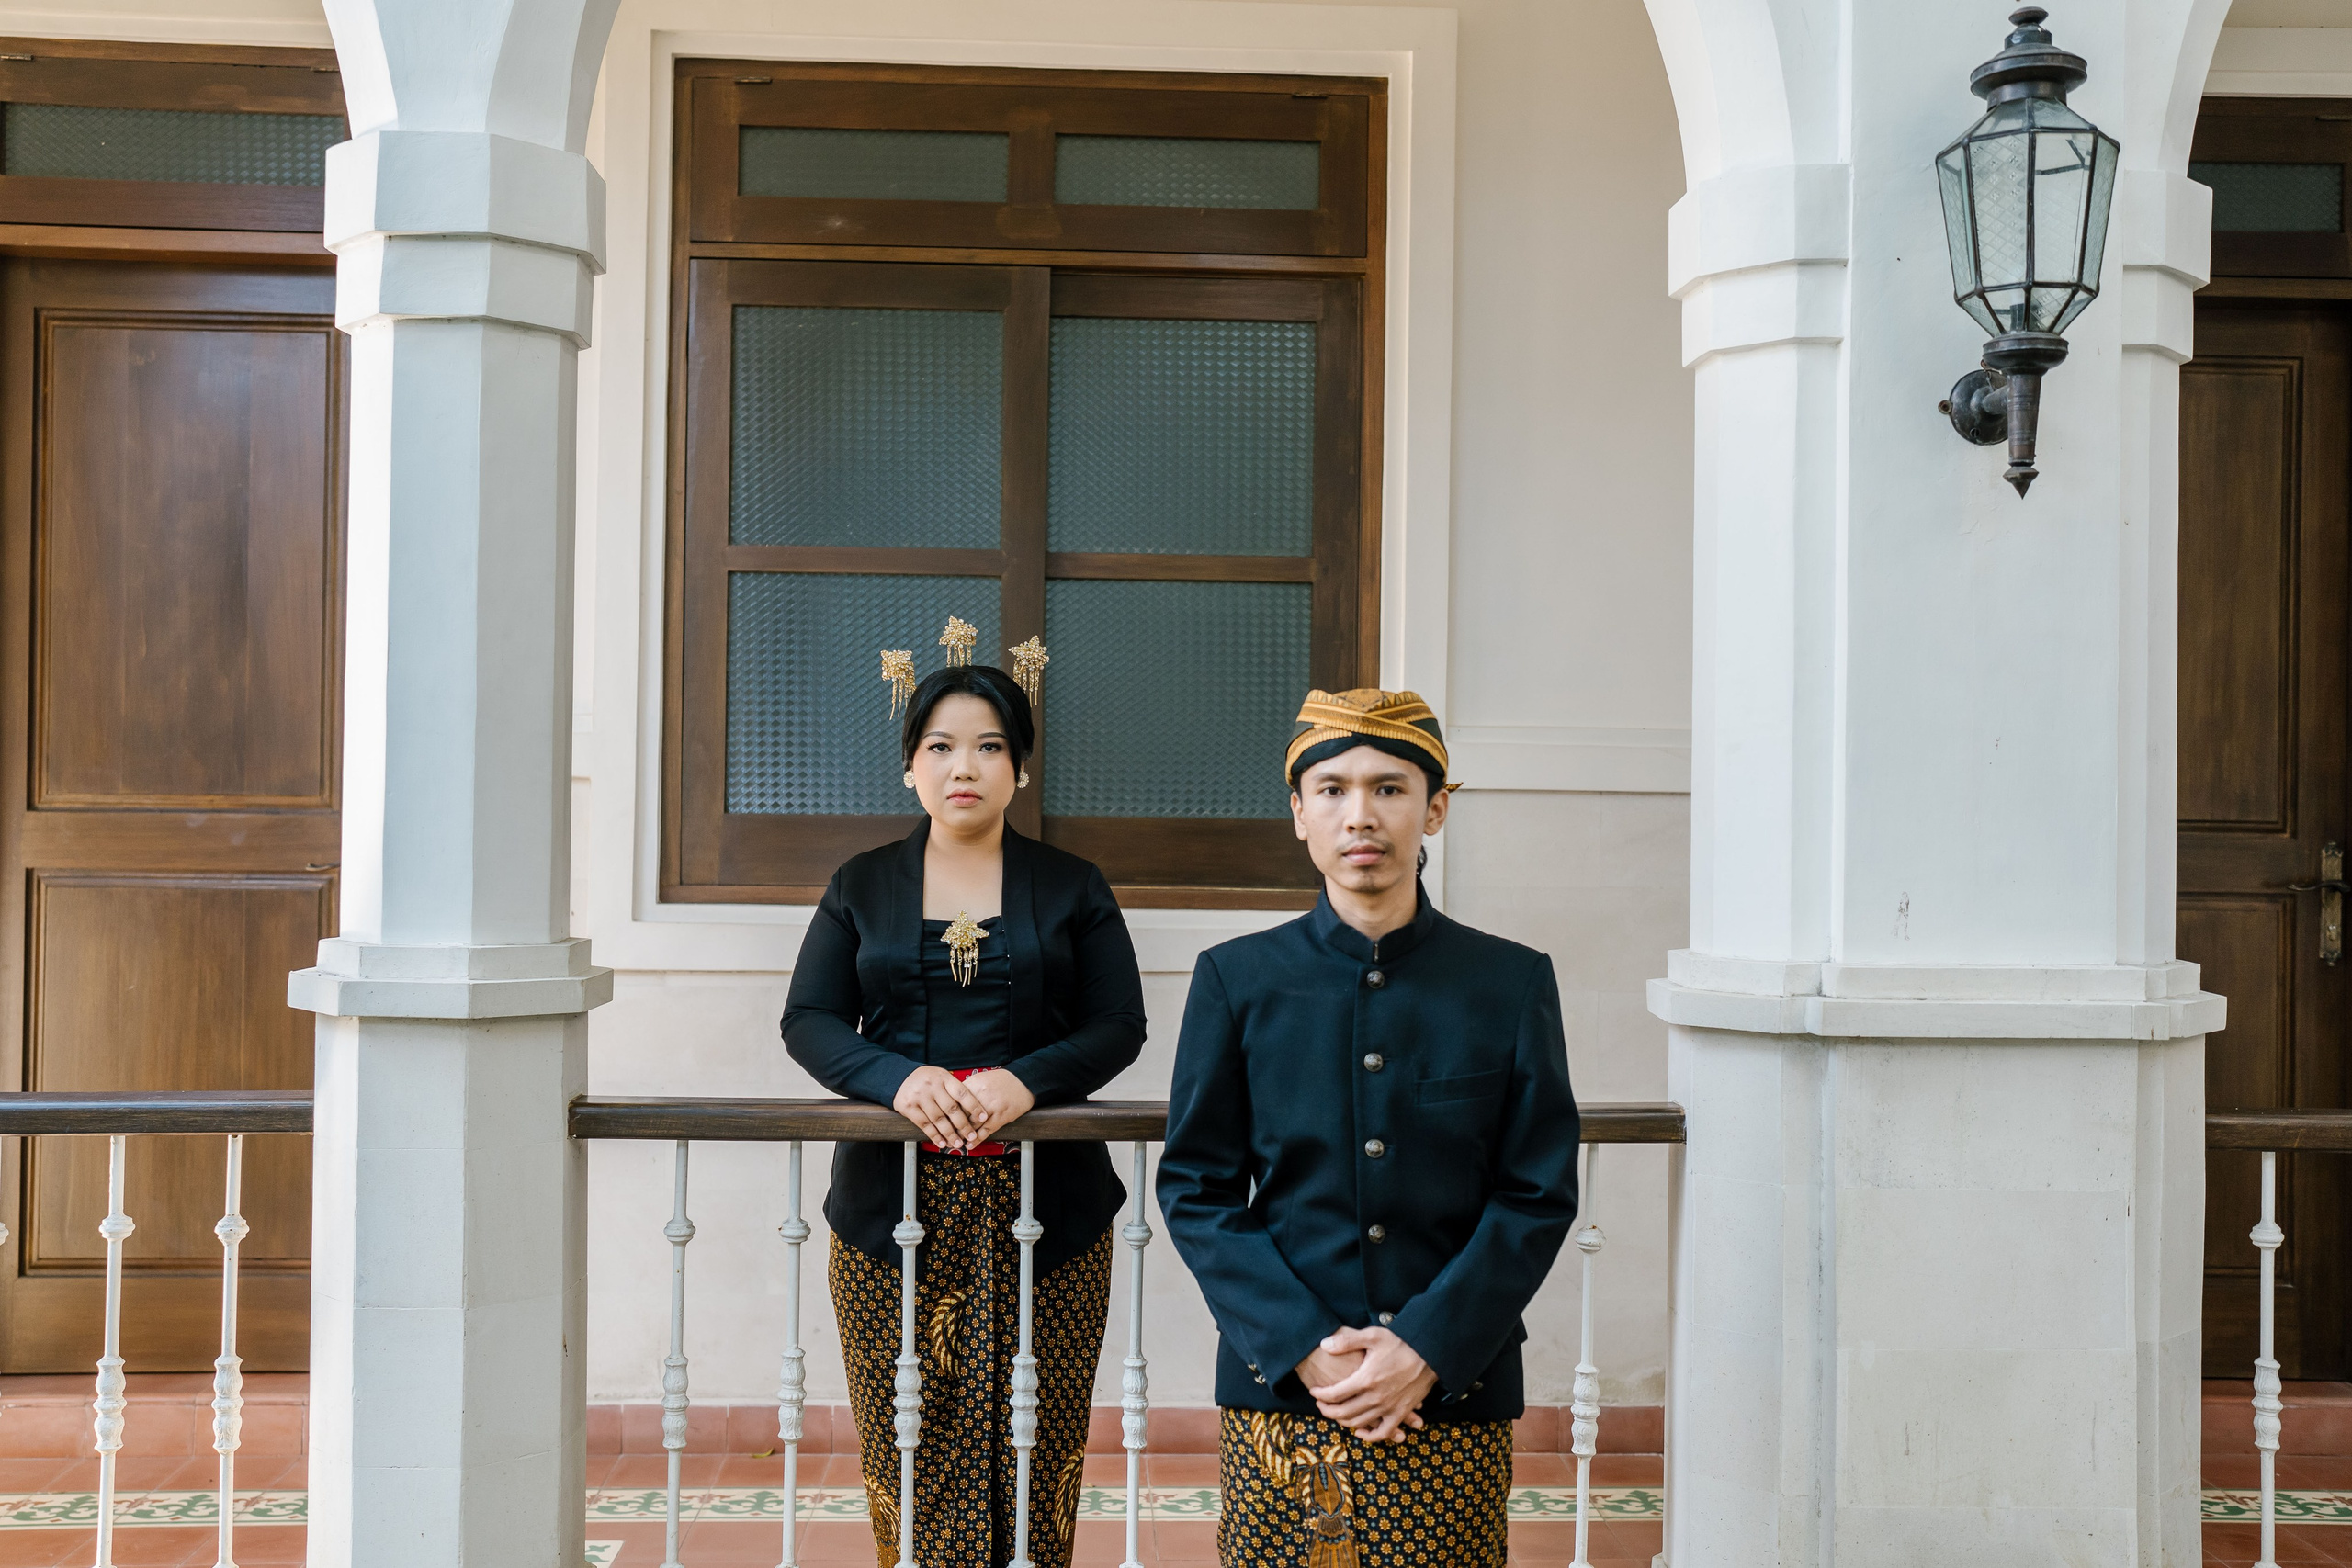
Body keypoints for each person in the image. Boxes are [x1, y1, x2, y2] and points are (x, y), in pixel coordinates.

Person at [1156, 686, 1581, 1568]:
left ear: (1435, 809)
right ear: (1298, 814)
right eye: (1333, 789)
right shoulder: (1237, 980)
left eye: (1390, 788)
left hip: (1452, 1388)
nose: (1362, 814)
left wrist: (1429, 1345)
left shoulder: (1509, 982)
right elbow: (1196, 1189)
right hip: (1284, 1387)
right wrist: (1303, 1345)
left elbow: (1536, 1194)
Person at [783, 657, 1146, 1568]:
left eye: (989, 746)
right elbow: (810, 1019)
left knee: (1036, 1442)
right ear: (909, 765)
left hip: (1049, 1217)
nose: (964, 766)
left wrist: (1027, 1082)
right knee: (908, 1448)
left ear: (1020, 767)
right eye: (940, 746)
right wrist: (895, 1080)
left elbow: (1117, 1025)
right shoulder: (860, 884)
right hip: (888, 1217)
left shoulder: (1073, 886)